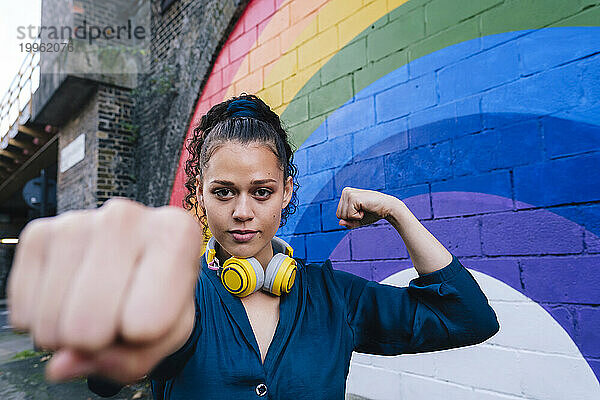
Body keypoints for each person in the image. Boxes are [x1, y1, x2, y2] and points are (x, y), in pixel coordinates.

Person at [7, 94, 499, 399]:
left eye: (261, 192)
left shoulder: (337, 299)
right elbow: (105, 378)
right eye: (224, 192)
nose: (243, 211)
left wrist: (397, 211)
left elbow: (468, 318)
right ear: (199, 193)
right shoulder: (176, 293)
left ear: (285, 192)